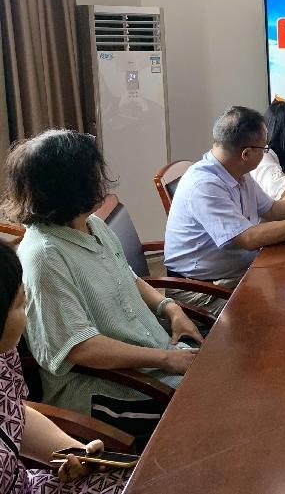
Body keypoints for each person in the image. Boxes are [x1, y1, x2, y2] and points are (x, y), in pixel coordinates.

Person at [5, 130, 200, 437]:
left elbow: (127, 275)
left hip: (154, 359)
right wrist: (165, 359)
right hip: (110, 391)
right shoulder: (45, 257)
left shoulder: (92, 224)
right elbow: (81, 348)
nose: (101, 180)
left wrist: (170, 308)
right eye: (94, 173)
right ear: (70, 185)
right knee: (214, 410)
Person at [164, 106, 285, 314]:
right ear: (247, 153)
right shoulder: (204, 185)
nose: (266, 152)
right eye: (265, 148)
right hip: (200, 289)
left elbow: (272, 209)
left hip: (235, 273)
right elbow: (249, 238)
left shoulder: (238, 171)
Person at [0, 241, 130, 493]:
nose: (27, 308)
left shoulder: (4, 352)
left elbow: (14, 415)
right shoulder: (44, 255)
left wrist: (73, 453)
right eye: (19, 304)